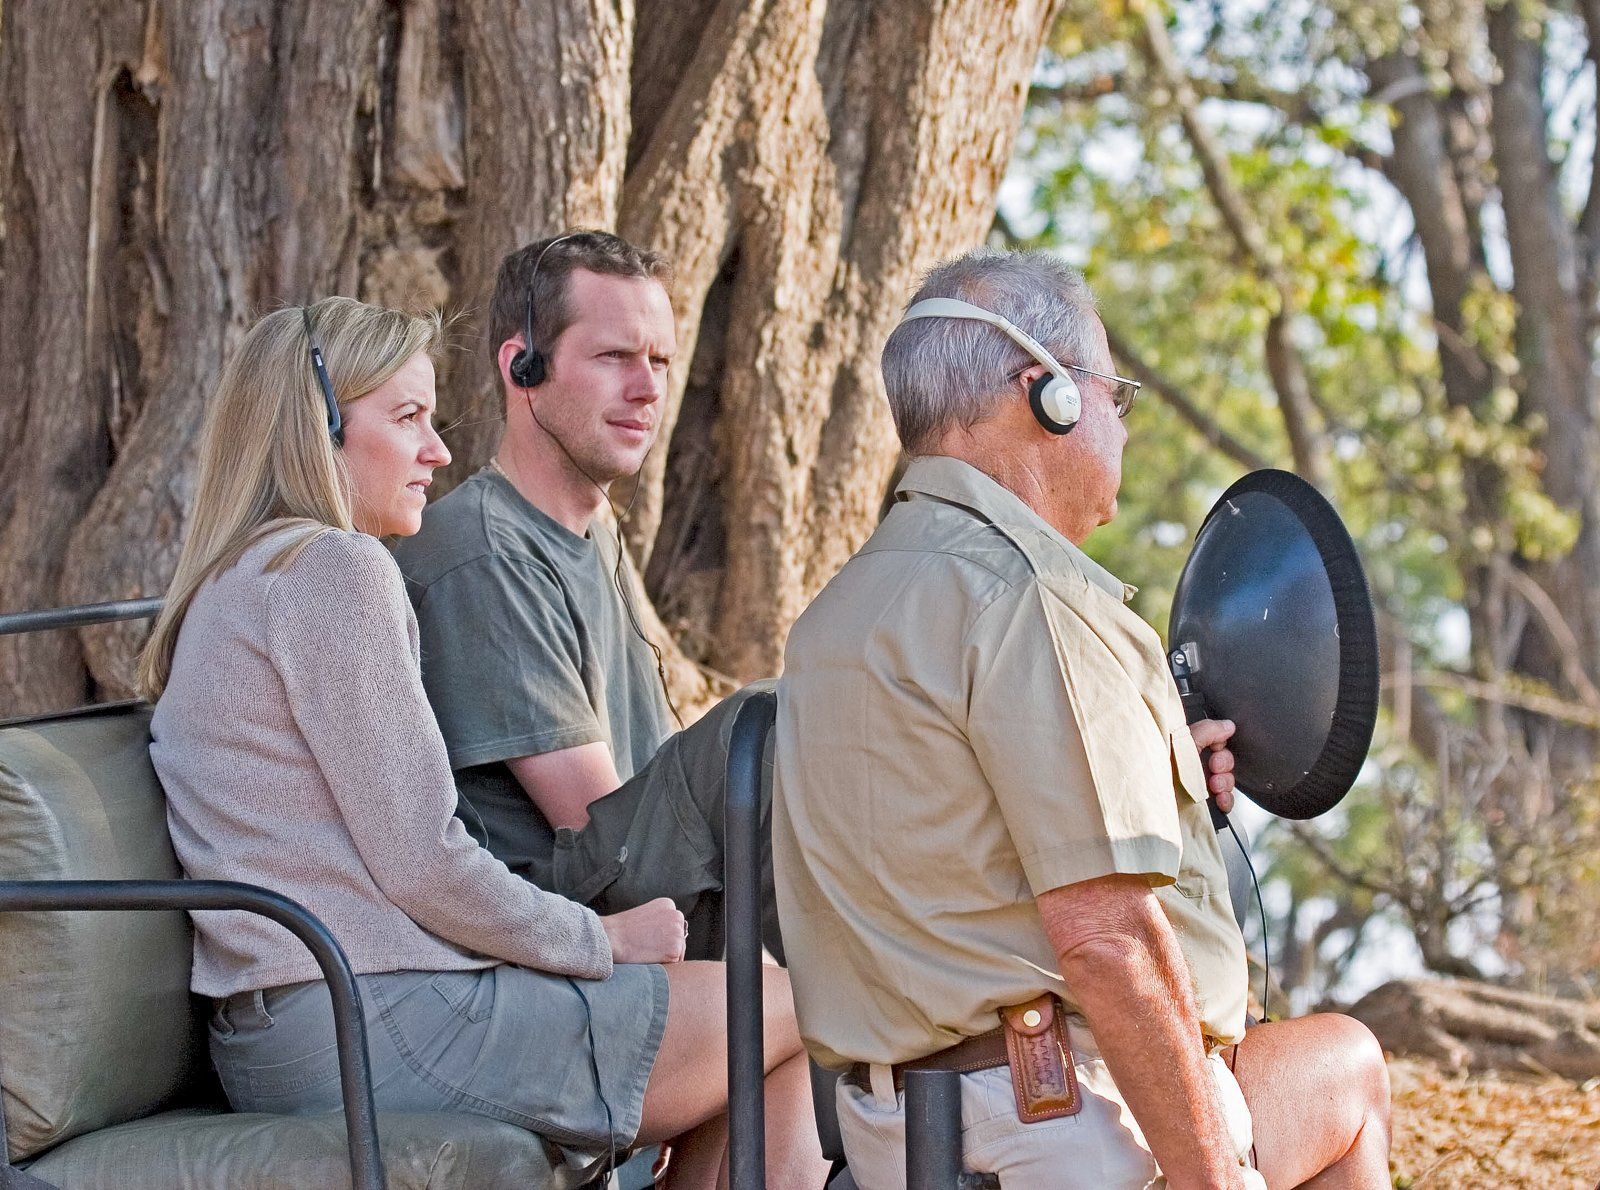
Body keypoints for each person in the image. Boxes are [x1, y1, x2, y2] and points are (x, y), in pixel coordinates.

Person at [140, 296, 824, 1188]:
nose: (439, 451)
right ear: (321, 427)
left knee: (753, 1029)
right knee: (802, 1004)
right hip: (371, 1023)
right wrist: (597, 938)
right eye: (409, 419)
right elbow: (424, 861)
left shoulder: (242, 578)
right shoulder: (332, 573)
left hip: (304, 1022)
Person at [772, 249, 1391, 1188]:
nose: (1121, 426)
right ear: (1047, 393)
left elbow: (950, 840)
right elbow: (1109, 943)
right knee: (1347, 1062)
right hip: (1056, 1128)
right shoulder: (1038, 602)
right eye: (1115, 395)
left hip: (896, 1133)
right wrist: (1211, 1178)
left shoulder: (840, 612)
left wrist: (1150, 761)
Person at [393, 231, 779, 959]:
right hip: (567, 957)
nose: (648, 389)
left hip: (659, 917)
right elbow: (611, 843)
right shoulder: (482, 555)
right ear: (524, 367)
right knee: (774, 727)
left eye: (659, 360)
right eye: (614, 358)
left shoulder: (592, 531)